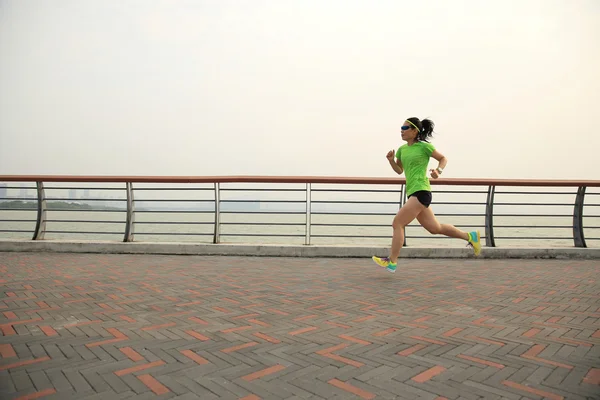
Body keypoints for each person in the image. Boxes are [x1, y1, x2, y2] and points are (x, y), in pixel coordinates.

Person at [372, 117, 481, 273]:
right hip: (413, 193)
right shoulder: (402, 149)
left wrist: (438, 171)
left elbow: (443, 159)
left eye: (405, 128)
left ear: (415, 130)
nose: (401, 131)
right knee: (435, 228)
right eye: (401, 128)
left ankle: (392, 261)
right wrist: (391, 161)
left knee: (397, 223)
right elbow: (399, 170)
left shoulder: (424, 147)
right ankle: (470, 237)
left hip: (422, 191)